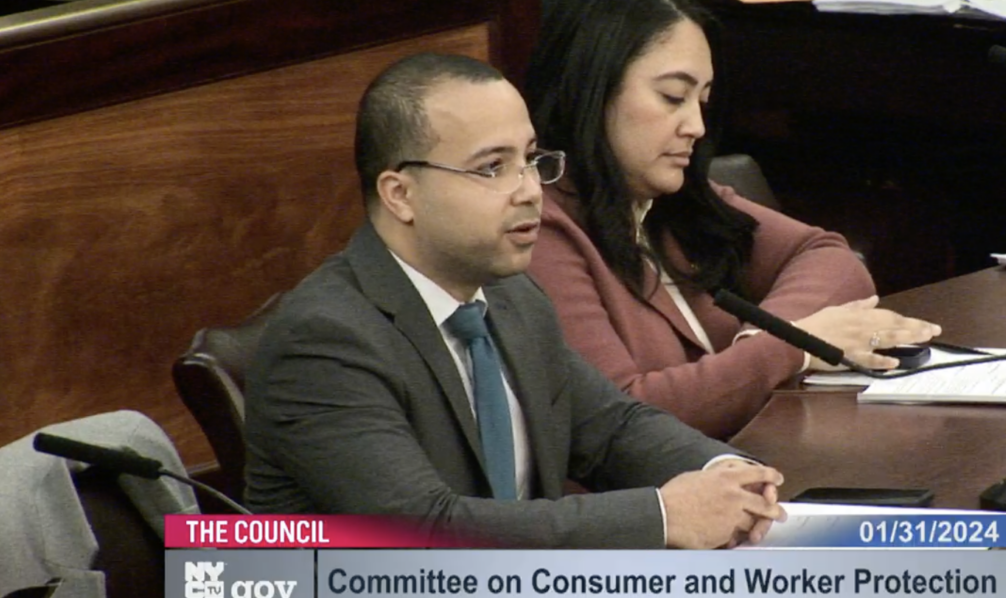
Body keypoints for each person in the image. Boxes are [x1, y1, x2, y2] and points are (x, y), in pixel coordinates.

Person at [239, 53, 784, 550]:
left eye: (529, 159)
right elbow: (423, 531)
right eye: (492, 168)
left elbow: (614, 429)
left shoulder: (511, 298)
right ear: (400, 195)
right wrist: (664, 517)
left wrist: (726, 474)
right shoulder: (325, 341)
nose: (529, 190)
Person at [524, 0, 941, 440]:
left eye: (702, 101)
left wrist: (763, 340)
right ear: (591, 88)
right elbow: (624, 420)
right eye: (672, 97)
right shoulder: (539, 225)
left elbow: (828, 255)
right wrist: (788, 347)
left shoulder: (673, 200)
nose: (697, 126)